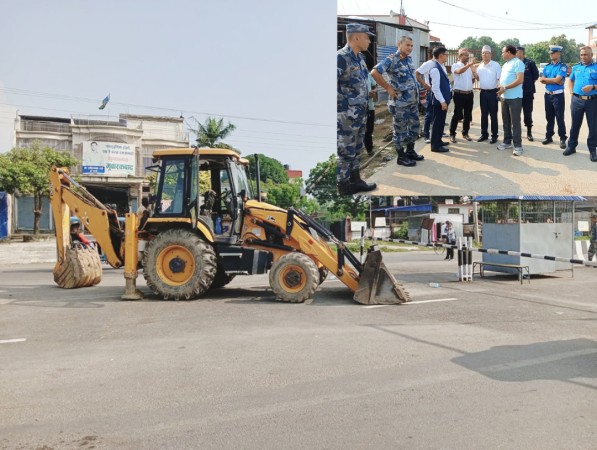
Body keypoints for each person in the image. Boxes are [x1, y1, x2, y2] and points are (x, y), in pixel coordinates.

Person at [337, 23, 377, 195]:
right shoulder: (341, 57)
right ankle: (343, 185)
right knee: (346, 151)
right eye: (367, 37)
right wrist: (345, 103)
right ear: (356, 37)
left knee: (357, 147)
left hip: (361, 113)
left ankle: (355, 179)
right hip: (346, 116)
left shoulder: (359, 58)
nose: (369, 40)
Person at [372, 35, 424, 167]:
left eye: (411, 46)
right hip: (400, 103)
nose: (410, 48)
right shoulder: (392, 59)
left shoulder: (408, 59)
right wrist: (388, 88)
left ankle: (410, 151)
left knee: (414, 127)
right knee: (400, 130)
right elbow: (374, 72)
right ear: (399, 45)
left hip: (412, 102)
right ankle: (401, 156)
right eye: (407, 45)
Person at [564, 46, 597, 162]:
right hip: (577, 100)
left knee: (593, 126)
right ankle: (572, 146)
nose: (583, 57)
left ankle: (593, 150)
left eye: (586, 54)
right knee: (575, 125)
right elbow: (571, 79)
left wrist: (593, 87)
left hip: (592, 101)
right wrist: (572, 92)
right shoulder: (576, 67)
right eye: (582, 55)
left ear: (591, 55)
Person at [497, 45, 525, 156]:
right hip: (504, 97)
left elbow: (520, 80)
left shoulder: (518, 63)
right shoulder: (505, 64)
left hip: (515, 98)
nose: (502, 54)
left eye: (503, 52)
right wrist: (500, 87)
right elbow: (502, 79)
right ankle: (507, 141)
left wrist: (505, 88)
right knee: (506, 121)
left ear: (509, 52)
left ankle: (518, 146)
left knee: (515, 122)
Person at [539, 45, 568, 149]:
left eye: (553, 53)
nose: (551, 54)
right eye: (550, 53)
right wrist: (555, 80)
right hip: (547, 95)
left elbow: (557, 80)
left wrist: (549, 80)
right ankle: (549, 136)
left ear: (559, 54)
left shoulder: (562, 66)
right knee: (549, 117)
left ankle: (562, 138)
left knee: (560, 117)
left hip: (558, 95)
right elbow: (542, 80)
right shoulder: (547, 66)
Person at [449, 48, 478, 143]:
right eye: (465, 55)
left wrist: (473, 71)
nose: (467, 57)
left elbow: (474, 79)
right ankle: (452, 133)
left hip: (469, 94)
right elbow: (459, 72)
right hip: (459, 94)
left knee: (468, 115)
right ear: (460, 56)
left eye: (468, 55)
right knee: (457, 114)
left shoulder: (470, 67)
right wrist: (469, 65)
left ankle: (465, 133)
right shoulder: (455, 65)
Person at [476, 45, 502, 144]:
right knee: (483, 115)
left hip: (492, 93)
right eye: (483, 53)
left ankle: (494, 135)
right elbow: (477, 79)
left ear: (491, 54)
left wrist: (499, 91)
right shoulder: (480, 66)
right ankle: (484, 134)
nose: (485, 55)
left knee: (493, 115)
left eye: (487, 53)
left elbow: (500, 79)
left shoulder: (496, 65)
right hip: (483, 93)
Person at [428, 47, 452, 153]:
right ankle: (435, 146)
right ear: (441, 55)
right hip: (439, 102)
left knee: (441, 123)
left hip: (442, 101)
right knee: (437, 124)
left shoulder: (440, 66)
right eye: (446, 54)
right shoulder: (435, 69)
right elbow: (435, 88)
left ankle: (438, 141)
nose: (447, 56)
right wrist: (442, 101)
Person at [515, 46, 539, 141]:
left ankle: (529, 132)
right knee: (515, 114)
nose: (516, 53)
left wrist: (528, 84)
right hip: (516, 92)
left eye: (517, 52)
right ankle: (517, 133)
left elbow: (536, 76)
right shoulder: (514, 63)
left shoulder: (530, 63)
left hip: (527, 93)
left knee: (528, 113)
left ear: (522, 52)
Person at [364, 72, 378, 154]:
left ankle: (369, 149)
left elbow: (374, 85)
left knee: (369, 129)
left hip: (370, 106)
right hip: (357, 108)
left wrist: (373, 91)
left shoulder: (368, 74)